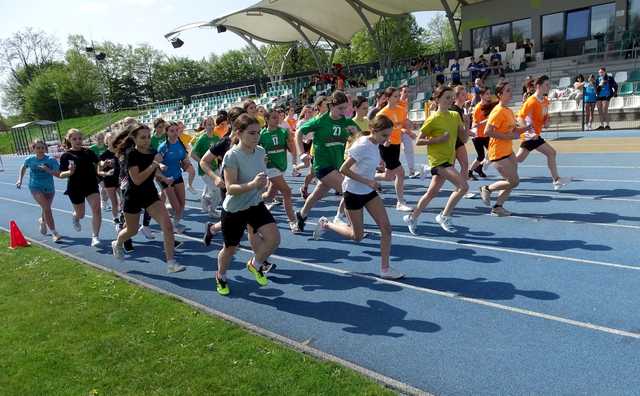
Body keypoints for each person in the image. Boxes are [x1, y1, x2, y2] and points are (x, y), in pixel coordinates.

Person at [313, 115, 404, 280]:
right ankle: (326, 224)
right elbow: (343, 169)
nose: (387, 139)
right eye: (384, 135)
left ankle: (385, 269)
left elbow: (366, 169)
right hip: (353, 192)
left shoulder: (376, 144)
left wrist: (380, 176)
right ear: (374, 131)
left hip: (368, 192)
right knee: (357, 237)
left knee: (387, 229)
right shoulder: (362, 145)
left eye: (389, 135)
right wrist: (369, 181)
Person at [215, 114, 280, 296]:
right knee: (230, 249)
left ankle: (255, 264)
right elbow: (230, 188)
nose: (256, 136)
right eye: (251, 133)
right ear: (239, 133)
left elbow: (260, 175)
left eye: (258, 133)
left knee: (274, 238)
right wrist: (253, 184)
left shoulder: (260, 151)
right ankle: (221, 275)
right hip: (235, 209)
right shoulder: (231, 155)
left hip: (255, 204)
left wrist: (263, 186)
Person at [112, 123, 185, 273]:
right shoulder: (131, 154)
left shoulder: (152, 152)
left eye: (148, 137)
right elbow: (137, 179)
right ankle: (118, 243)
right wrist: (155, 164)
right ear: (134, 139)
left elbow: (152, 172)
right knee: (131, 230)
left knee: (168, 226)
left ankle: (171, 263)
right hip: (133, 196)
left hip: (150, 194)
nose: (146, 140)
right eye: (142, 137)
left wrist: (163, 178)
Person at [403, 86, 469, 234]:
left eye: (452, 97)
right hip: (438, 161)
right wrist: (438, 139)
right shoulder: (432, 119)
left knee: (431, 193)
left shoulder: (455, 115)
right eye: (447, 97)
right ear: (438, 99)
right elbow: (419, 141)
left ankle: (412, 217)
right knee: (463, 187)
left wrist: (466, 124)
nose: (451, 100)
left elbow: (463, 139)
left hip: (449, 159)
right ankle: (444, 216)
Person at [295, 90, 360, 232]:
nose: (343, 111)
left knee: (318, 193)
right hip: (322, 165)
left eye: (345, 108)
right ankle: (352, 225)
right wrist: (301, 153)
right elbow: (299, 132)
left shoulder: (347, 122)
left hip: (337, 165)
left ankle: (301, 214)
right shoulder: (320, 121)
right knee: (349, 190)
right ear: (331, 106)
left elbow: (360, 140)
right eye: (340, 108)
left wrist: (355, 134)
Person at [479, 81, 532, 216]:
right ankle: (487, 189)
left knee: (511, 182)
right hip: (497, 152)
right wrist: (505, 137)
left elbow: (514, 129)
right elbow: (487, 131)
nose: (510, 93)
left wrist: (526, 128)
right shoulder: (497, 111)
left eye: (510, 90)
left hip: (508, 151)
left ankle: (498, 207)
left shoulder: (508, 110)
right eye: (507, 91)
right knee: (514, 181)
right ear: (500, 95)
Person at [516, 75, 571, 190]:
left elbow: (545, 118)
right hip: (530, 135)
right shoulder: (531, 101)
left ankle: (496, 159)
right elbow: (520, 118)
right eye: (546, 85)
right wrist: (529, 132)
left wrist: (546, 122)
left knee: (519, 159)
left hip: (536, 134)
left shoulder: (545, 101)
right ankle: (556, 180)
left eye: (548, 84)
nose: (548, 87)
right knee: (551, 153)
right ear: (538, 86)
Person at [58, 129, 102, 247]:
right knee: (81, 214)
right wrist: (69, 172)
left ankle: (95, 236)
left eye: (79, 138)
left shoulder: (89, 152)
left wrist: (105, 164)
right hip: (75, 187)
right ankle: (75, 217)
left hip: (91, 185)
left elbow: (99, 163)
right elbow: (61, 174)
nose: (78, 141)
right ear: (69, 140)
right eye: (74, 139)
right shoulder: (66, 155)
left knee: (97, 210)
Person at [259, 110, 300, 233]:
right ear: (267, 119)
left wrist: (290, 142)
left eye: (278, 118)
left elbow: (292, 148)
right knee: (287, 191)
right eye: (274, 118)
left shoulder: (283, 132)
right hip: (270, 167)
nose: (277, 120)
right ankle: (293, 221)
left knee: (269, 196)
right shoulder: (262, 135)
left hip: (281, 166)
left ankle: (251, 201)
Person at [16, 139, 62, 242]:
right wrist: (20, 179)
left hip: (49, 187)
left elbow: (59, 174)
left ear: (45, 148)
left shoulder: (51, 160)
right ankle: (55, 233)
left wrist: (47, 170)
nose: (40, 150)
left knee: (46, 208)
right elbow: (23, 167)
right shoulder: (30, 159)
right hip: (35, 187)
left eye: (42, 148)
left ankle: (42, 220)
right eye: (38, 148)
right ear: (33, 149)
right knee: (47, 208)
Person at [377, 87, 414, 212]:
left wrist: (409, 131)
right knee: (400, 173)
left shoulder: (401, 110)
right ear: (387, 98)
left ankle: (368, 177)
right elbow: (377, 131)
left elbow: (402, 124)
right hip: (386, 146)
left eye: (398, 96)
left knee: (388, 176)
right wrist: (384, 140)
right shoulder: (382, 113)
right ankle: (400, 202)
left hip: (397, 144)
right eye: (395, 96)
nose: (398, 98)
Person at [190, 116, 221, 218]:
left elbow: (219, 152)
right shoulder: (202, 139)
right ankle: (212, 210)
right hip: (205, 170)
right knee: (217, 192)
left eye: (212, 124)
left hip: (215, 167)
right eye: (208, 124)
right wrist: (202, 162)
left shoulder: (216, 137)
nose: (211, 126)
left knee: (212, 186)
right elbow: (192, 154)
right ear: (204, 126)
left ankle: (204, 198)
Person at [469, 87, 496, 178]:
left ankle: (479, 167)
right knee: (481, 156)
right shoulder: (477, 108)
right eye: (487, 94)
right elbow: (475, 124)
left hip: (486, 134)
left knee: (493, 152)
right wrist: (488, 120)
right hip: (477, 136)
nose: (489, 95)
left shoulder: (488, 106)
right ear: (481, 96)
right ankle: (470, 172)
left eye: (489, 93)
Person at [97, 131, 121, 229]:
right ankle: (115, 218)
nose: (113, 140)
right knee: (114, 202)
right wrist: (106, 172)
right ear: (106, 141)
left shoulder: (120, 152)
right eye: (110, 138)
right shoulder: (103, 155)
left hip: (120, 180)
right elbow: (99, 171)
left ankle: (123, 217)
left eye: (114, 138)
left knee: (124, 200)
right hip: (109, 181)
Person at [450, 86, 472, 183]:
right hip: (451, 141)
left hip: (458, 141)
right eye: (463, 94)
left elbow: (461, 129)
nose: (465, 95)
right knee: (449, 168)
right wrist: (468, 130)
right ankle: (428, 169)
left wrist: (470, 131)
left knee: (465, 164)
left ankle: (462, 187)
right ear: (456, 96)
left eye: (465, 93)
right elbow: (456, 128)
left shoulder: (462, 110)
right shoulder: (453, 110)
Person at [399, 85, 420, 179]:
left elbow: (404, 118)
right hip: (395, 131)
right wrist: (407, 131)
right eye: (405, 92)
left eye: (408, 92)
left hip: (403, 130)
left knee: (409, 149)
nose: (407, 94)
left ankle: (412, 171)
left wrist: (410, 123)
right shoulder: (397, 103)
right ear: (400, 92)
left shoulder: (406, 103)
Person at [90, 131, 110, 211]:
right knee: (104, 186)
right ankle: (103, 202)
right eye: (98, 138)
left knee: (107, 187)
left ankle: (105, 202)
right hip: (97, 170)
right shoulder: (92, 148)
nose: (100, 140)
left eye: (102, 138)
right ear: (95, 139)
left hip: (108, 169)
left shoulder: (106, 147)